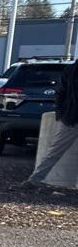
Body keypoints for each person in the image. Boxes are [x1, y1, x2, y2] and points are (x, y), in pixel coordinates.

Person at [24, 60, 78, 189]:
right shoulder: (71, 71)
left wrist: (61, 114)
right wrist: (61, 114)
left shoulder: (71, 70)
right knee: (55, 150)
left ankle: (34, 180)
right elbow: (61, 93)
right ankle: (34, 180)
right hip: (71, 117)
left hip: (70, 116)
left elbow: (60, 93)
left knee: (55, 151)